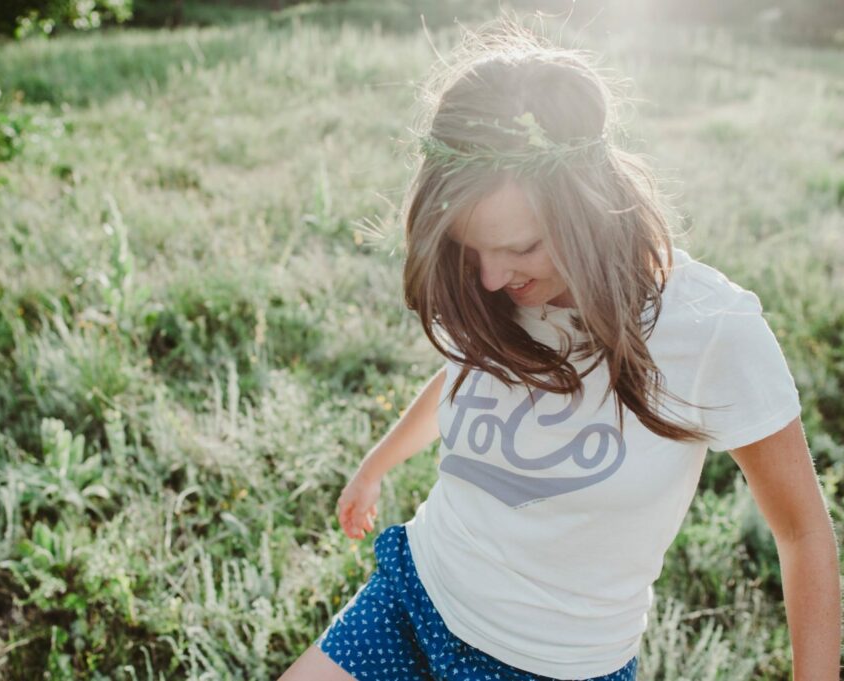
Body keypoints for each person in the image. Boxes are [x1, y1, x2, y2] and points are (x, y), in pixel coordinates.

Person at [279, 14, 840, 681]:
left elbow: (803, 533)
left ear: (591, 206)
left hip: (549, 665)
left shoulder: (711, 330)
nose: (490, 277)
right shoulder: (498, 293)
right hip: (413, 597)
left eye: (519, 247)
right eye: (470, 247)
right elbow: (469, 375)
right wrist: (377, 462)